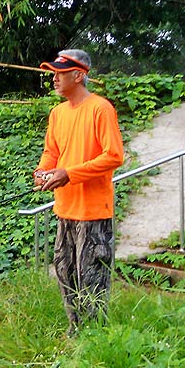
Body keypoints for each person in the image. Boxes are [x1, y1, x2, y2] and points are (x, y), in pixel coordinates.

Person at [34, 49, 124, 335]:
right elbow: (52, 152)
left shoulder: (101, 108)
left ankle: (96, 340)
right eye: (53, 73)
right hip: (65, 211)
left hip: (94, 214)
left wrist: (69, 174)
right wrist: (43, 172)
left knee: (92, 280)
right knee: (65, 274)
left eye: (60, 73)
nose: (54, 79)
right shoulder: (57, 113)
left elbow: (114, 156)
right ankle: (75, 332)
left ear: (79, 75)